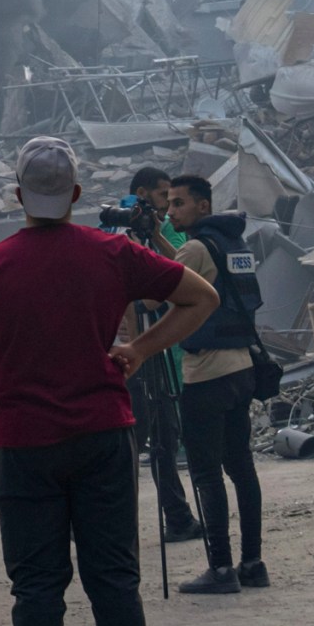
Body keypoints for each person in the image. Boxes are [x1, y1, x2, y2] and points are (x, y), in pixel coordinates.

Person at [0, 137, 219, 626]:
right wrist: (141, 351)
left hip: (23, 443)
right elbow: (202, 298)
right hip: (103, 436)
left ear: (17, 196)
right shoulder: (113, 253)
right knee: (115, 582)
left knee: (35, 590)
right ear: (77, 194)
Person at [162, 174, 268, 595]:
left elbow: (158, 292)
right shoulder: (231, 244)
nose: (171, 212)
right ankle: (253, 563)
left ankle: (220, 568)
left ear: (203, 206)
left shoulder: (195, 248)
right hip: (242, 368)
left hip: (206, 372)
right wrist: (157, 237)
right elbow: (185, 269)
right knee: (241, 466)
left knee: (206, 472)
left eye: (178, 204)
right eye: (168, 205)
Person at [112, 166, 200, 544]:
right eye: (165, 197)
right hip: (135, 352)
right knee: (135, 437)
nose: (168, 206)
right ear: (144, 194)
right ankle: (117, 525)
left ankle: (178, 516)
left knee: (166, 431)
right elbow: (130, 297)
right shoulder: (120, 231)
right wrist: (134, 346)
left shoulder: (155, 231)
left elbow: (174, 269)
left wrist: (156, 234)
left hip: (151, 348)